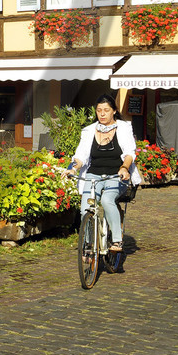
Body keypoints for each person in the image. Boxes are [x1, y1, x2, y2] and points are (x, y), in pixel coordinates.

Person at [69, 95, 141, 253]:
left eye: (106, 110)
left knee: (108, 201)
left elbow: (130, 153)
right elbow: (80, 156)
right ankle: (88, 246)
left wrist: (124, 168)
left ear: (114, 111)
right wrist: (73, 168)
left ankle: (116, 240)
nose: (102, 114)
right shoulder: (89, 131)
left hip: (116, 175)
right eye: (99, 110)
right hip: (93, 175)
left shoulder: (123, 128)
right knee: (85, 209)